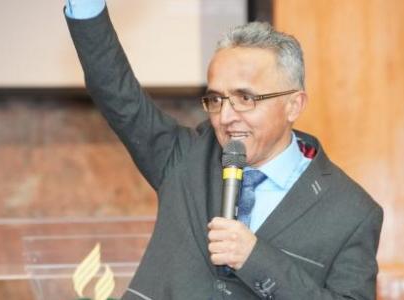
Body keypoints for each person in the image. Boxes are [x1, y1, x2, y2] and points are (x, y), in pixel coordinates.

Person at [64, 1, 383, 299]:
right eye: (216, 99)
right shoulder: (184, 158)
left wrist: (255, 258)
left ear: (293, 105)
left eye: (246, 98)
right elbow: (116, 92)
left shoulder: (351, 211)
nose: (226, 117)